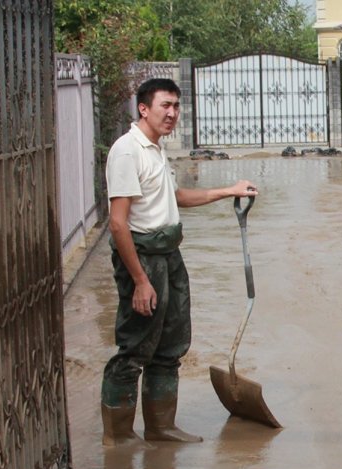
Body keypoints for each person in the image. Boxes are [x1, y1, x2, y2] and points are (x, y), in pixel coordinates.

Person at [101, 78, 258, 446]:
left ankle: (160, 427)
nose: (172, 114)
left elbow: (175, 198)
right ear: (144, 108)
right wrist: (140, 280)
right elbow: (118, 222)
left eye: (176, 107)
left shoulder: (155, 150)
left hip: (169, 255)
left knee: (171, 344)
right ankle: (119, 438)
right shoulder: (128, 151)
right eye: (165, 106)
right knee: (135, 347)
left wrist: (227, 191)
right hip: (144, 259)